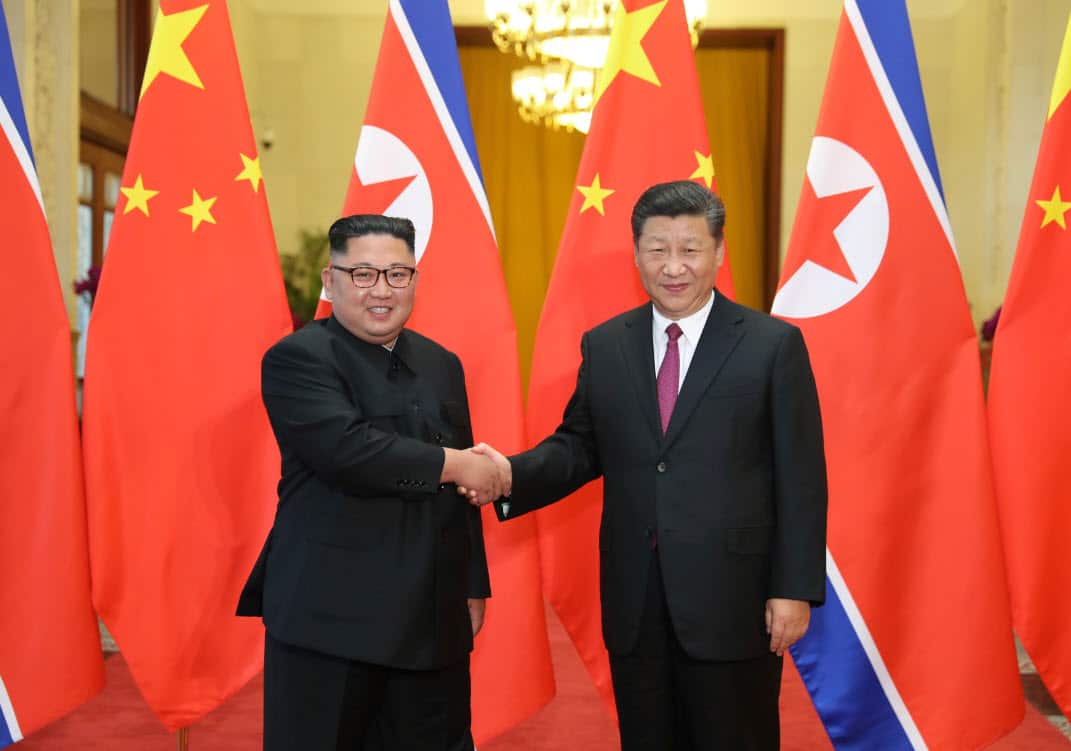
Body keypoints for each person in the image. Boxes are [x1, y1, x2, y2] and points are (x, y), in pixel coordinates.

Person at [473, 181, 828, 750]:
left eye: (690, 249)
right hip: (637, 595)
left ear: (719, 252)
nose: (673, 267)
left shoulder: (772, 346)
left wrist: (793, 589)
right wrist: (511, 475)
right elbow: (580, 446)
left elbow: (802, 479)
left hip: (733, 597)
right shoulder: (607, 345)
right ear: (636, 253)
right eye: (658, 249)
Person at [237, 214, 505, 751]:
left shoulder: (441, 363)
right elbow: (351, 452)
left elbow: (464, 494)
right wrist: (455, 465)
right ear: (329, 281)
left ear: (414, 280)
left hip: (431, 619)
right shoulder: (297, 359)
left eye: (396, 274)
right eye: (362, 274)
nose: (381, 290)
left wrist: (472, 581)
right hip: (331, 620)